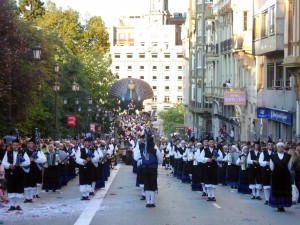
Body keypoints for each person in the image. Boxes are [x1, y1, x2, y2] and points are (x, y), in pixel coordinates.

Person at [2, 139, 30, 211]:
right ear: (12, 145)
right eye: (14, 145)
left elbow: (28, 162)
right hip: (10, 173)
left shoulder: (23, 152)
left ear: (19, 145)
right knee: (11, 189)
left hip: (20, 173)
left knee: (19, 188)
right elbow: (3, 163)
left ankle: (18, 205)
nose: (15, 146)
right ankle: (12, 205)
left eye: (17, 145)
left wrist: (20, 164)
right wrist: (9, 165)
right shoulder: (8, 153)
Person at [269, 142, 292, 212]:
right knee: (276, 190)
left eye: (281, 147)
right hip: (276, 176)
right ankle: (278, 205)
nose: (280, 148)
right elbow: (271, 167)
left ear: (283, 148)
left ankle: (283, 205)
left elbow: (289, 167)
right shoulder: (273, 156)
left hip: (285, 176)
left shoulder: (288, 156)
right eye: (279, 147)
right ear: (276, 148)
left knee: (284, 190)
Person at [141, 134, 163, 207]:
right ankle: (152, 202)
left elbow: (137, 157)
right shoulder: (155, 150)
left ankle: (147, 202)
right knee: (153, 185)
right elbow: (160, 160)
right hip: (153, 168)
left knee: (147, 184)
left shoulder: (143, 150)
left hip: (145, 169)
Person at [199, 137, 223, 201]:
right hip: (207, 168)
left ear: (214, 142)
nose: (211, 143)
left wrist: (216, 158)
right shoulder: (205, 150)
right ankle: (209, 195)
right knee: (208, 182)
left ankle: (213, 195)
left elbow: (221, 157)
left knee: (213, 182)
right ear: (208, 143)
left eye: (212, 142)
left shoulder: (217, 150)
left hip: (214, 168)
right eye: (210, 142)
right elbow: (200, 158)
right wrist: (207, 159)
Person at [259, 139, 275, 205]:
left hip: (273, 171)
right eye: (269, 145)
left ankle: (272, 198)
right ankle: (267, 199)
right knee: (266, 185)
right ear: (267, 146)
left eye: (271, 145)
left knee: (272, 185)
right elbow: (260, 161)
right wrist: (266, 163)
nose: (270, 146)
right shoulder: (263, 152)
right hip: (265, 171)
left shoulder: (275, 152)